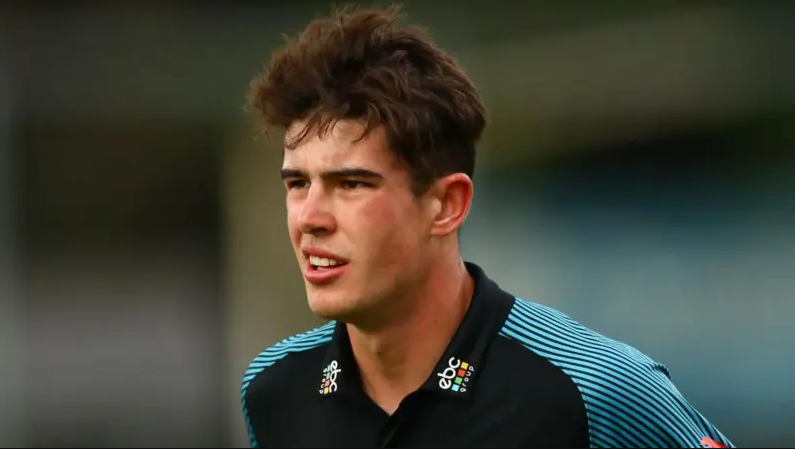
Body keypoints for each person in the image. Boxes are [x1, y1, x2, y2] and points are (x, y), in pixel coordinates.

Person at [240, 4, 734, 448]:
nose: (309, 218)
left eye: (351, 184)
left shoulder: (596, 391)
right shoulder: (275, 390)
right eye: (297, 183)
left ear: (447, 204)